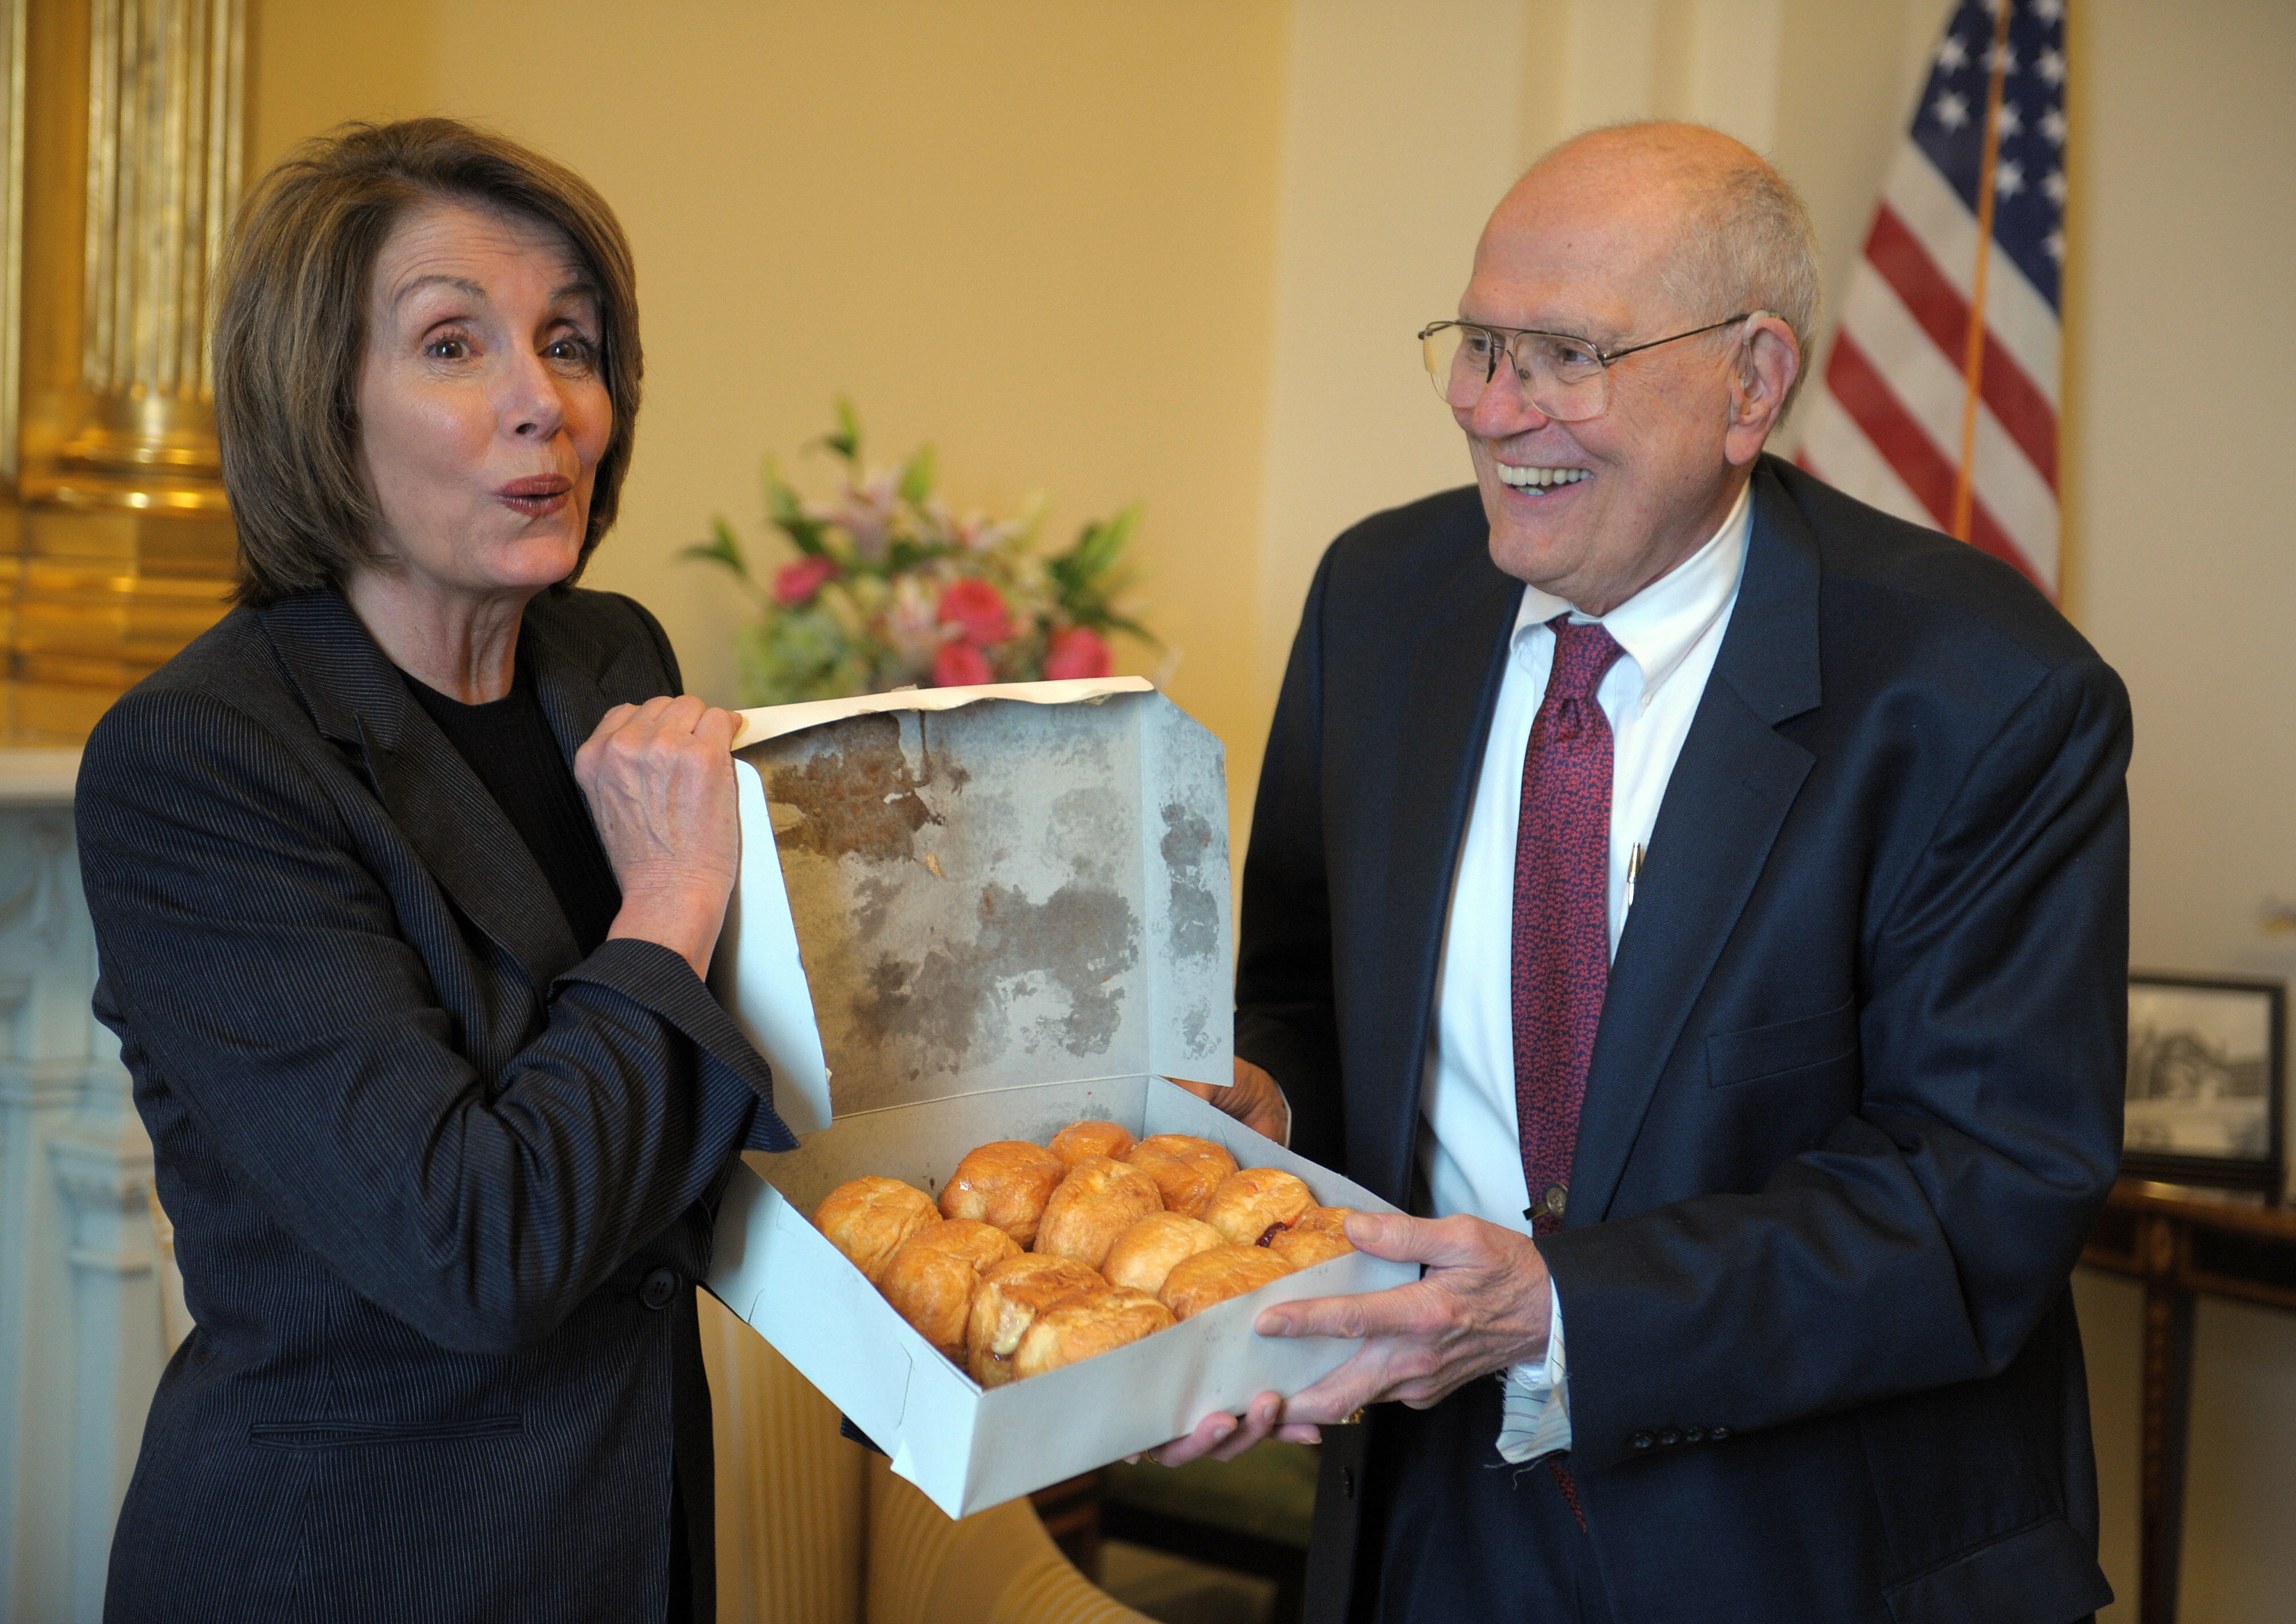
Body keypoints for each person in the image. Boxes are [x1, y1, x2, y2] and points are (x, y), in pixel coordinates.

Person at [1172, 123, 2129, 1623]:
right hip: (1430, 1525)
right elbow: (1300, 985)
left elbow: (1985, 1191)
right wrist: (1268, 1103)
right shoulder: (1380, 598)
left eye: (1564, 354)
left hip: (1815, 1553)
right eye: (1479, 342)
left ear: (1753, 383)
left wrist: (1563, 1314)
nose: (1492, 409)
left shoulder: (1981, 693)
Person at [77, 119, 788, 1623]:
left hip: (629, 1542)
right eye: (455, 345)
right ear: (319, 406)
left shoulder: (613, 657)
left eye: (573, 344)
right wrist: (667, 903)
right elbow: (477, 1248)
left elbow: (716, 1092)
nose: (548, 405)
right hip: (352, 1566)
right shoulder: (202, 761)